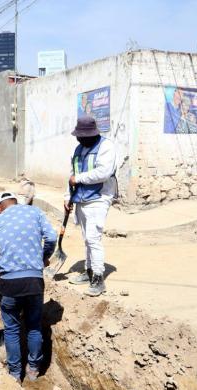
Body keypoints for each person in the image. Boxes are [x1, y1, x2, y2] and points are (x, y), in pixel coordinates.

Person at [0, 191, 57, 382]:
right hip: (34, 281)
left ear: (0, 208)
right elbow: (51, 237)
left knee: (11, 330)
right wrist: (43, 257)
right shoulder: (34, 212)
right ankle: (34, 370)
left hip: (9, 284)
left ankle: (14, 374)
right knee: (34, 326)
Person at [65, 115, 118, 297]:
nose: (79, 139)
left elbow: (103, 172)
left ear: (92, 134)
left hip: (99, 198)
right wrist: (67, 197)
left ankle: (98, 278)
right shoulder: (78, 149)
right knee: (87, 238)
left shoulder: (106, 147)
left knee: (94, 239)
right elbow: (72, 174)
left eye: (82, 136)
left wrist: (78, 179)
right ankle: (88, 273)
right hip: (81, 198)